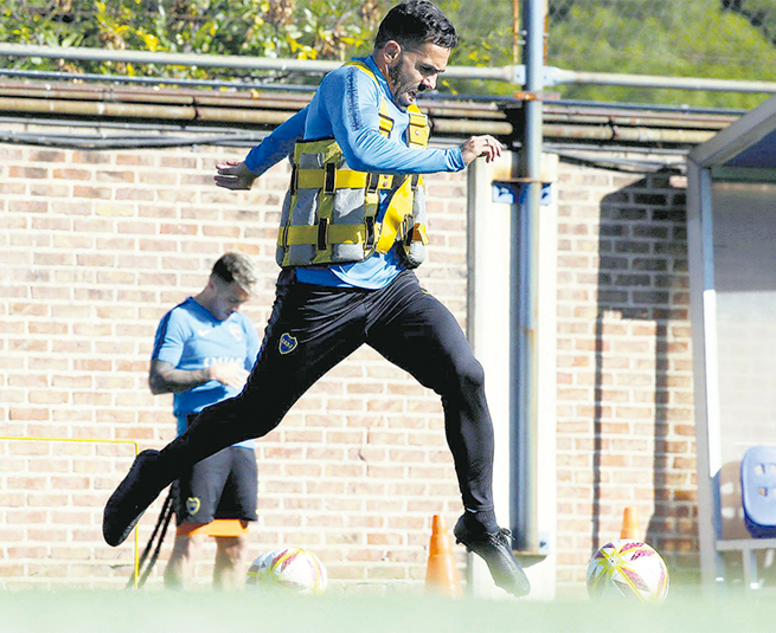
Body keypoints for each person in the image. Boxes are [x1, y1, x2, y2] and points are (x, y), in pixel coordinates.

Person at [105, 0, 529, 596]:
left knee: (465, 374)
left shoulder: (389, 101)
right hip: (321, 296)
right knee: (257, 414)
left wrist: (254, 165)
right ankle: (155, 470)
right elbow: (361, 152)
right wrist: (455, 156)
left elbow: (297, 124)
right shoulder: (349, 82)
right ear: (391, 54)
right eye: (425, 70)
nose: (431, 84)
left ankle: (481, 523)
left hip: (391, 288)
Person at [149, 253, 262, 590]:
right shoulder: (181, 319)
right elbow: (159, 379)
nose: (236, 308)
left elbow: (259, 375)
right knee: (191, 540)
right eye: (232, 299)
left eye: (243, 302)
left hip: (240, 442)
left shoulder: (241, 325)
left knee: (235, 545)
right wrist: (210, 373)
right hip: (199, 439)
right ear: (213, 283)